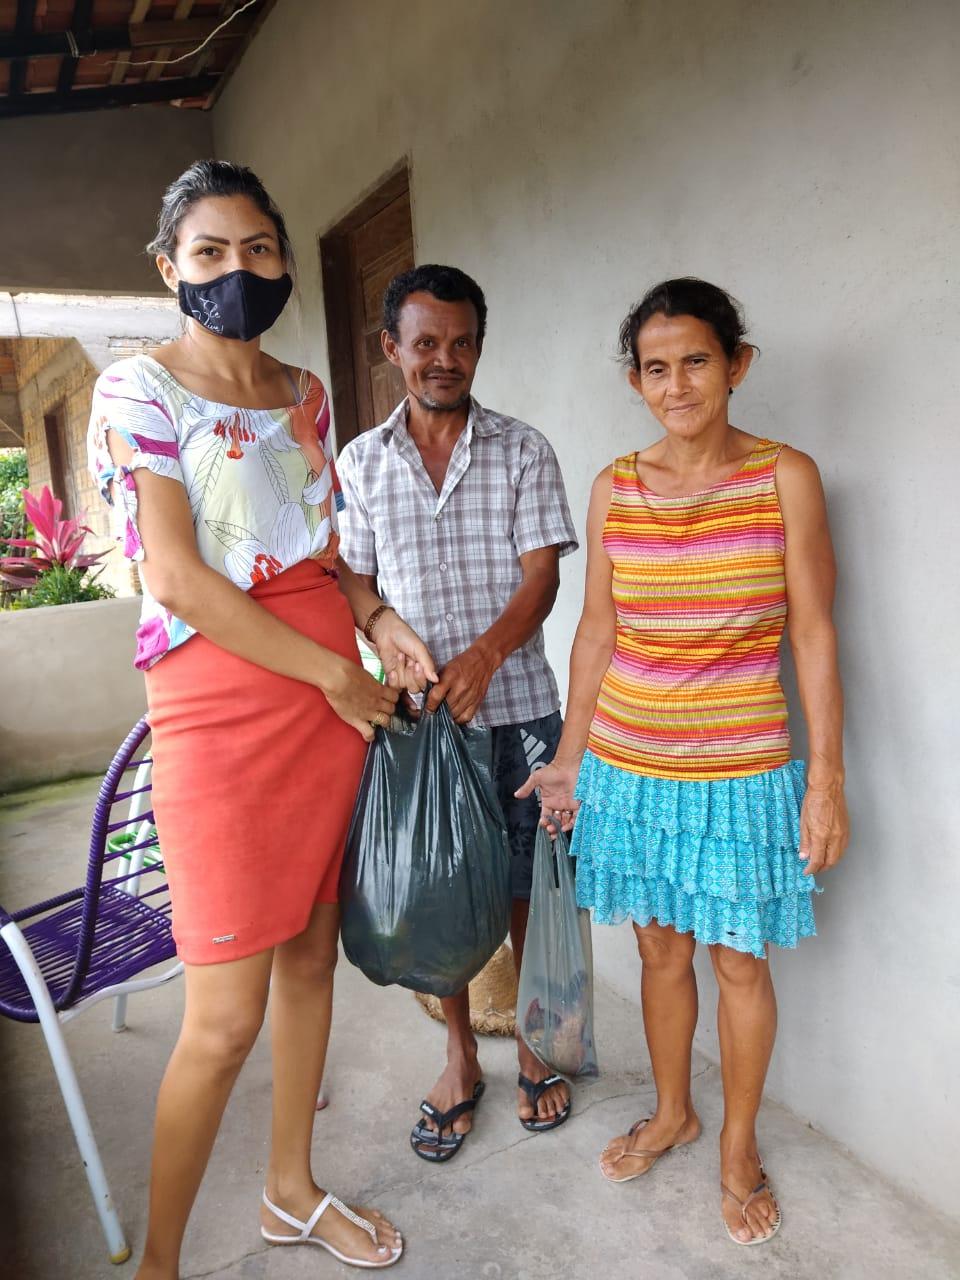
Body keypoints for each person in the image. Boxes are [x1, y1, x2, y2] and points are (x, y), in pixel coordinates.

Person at [87, 160, 438, 1278]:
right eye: (209, 252)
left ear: (284, 259)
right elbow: (182, 580)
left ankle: (290, 1187)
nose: (237, 270)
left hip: (334, 697)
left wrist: (375, 620)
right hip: (224, 710)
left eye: (258, 249)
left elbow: (322, 553)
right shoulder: (137, 391)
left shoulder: (304, 392)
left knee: (309, 962)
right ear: (168, 269)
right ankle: (160, 1264)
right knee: (222, 1017)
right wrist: (335, 678)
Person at [517, 278, 849, 1245]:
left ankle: (736, 1145)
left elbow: (816, 636)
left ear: (737, 364)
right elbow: (593, 636)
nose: (678, 384)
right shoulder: (616, 486)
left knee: (739, 962)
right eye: (656, 368)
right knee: (659, 948)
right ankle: (675, 1111)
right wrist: (572, 760)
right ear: (636, 380)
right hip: (629, 762)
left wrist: (824, 781)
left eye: (697, 360)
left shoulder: (786, 476)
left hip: (744, 769)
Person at [336, 264, 579, 1159]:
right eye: (426, 342)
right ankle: (459, 1056)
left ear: (480, 345)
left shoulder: (522, 449)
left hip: (516, 711)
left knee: (527, 889)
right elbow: (354, 580)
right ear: (393, 348)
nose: (445, 359)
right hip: (418, 722)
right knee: (438, 895)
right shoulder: (361, 463)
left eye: (461, 342)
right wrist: (383, 623)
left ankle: (537, 1047)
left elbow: (541, 577)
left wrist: (486, 653)